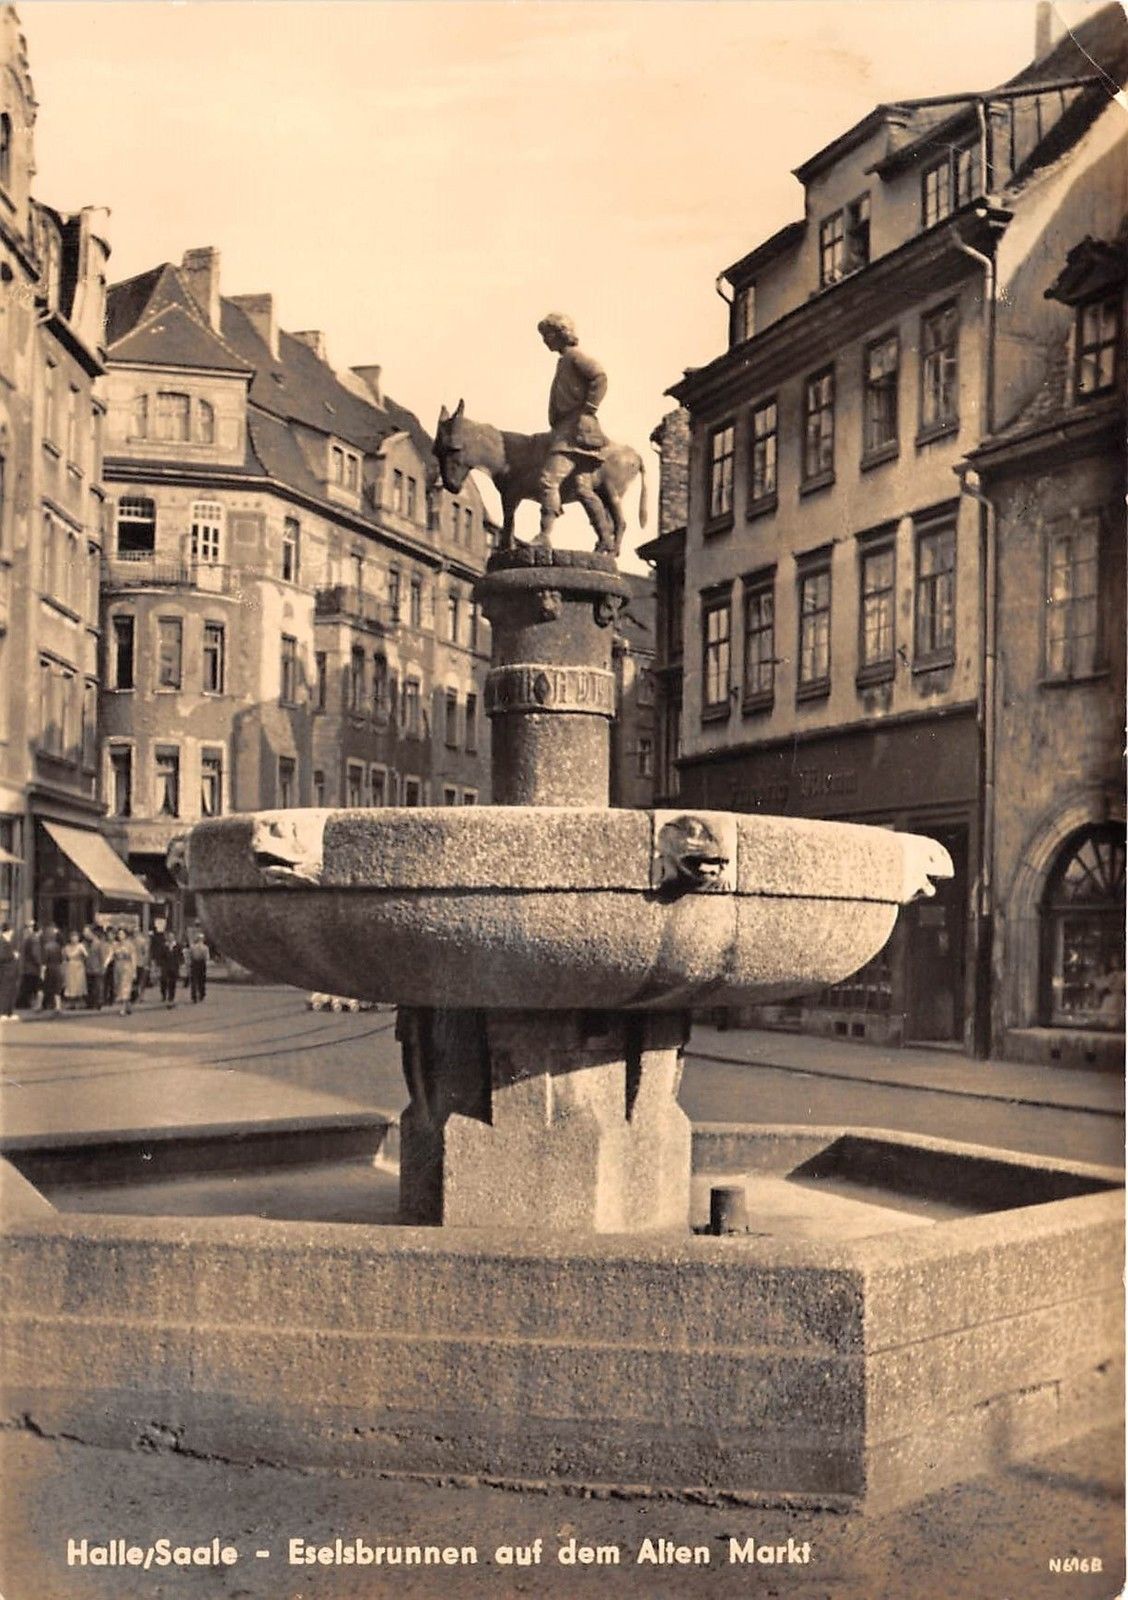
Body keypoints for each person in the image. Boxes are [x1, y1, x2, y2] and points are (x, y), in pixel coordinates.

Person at [535, 311, 608, 544]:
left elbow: (599, 376)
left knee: (548, 480)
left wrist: (589, 408)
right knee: (583, 488)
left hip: (572, 433)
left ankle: (545, 535)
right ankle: (606, 537)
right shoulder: (565, 359)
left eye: (548, 334)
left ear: (560, 334)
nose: (545, 340)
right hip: (575, 431)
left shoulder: (574, 357)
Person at [15, 922, 43, 1011]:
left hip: (26, 967)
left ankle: (22, 1003)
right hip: (32, 968)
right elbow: (36, 954)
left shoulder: (26, 939)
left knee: (26, 986)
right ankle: (27, 1003)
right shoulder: (34, 939)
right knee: (34, 986)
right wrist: (40, 963)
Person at [110, 927, 137, 1016]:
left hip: (127, 966)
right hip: (118, 967)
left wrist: (134, 970)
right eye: (119, 934)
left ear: (125, 935)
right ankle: (128, 1005)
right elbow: (111, 955)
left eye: (122, 934)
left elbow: (133, 957)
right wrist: (105, 964)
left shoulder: (130, 945)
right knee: (118, 986)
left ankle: (123, 1008)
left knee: (125, 986)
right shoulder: (115, 945)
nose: (120, 936)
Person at [40, 924, 64, 1014]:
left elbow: (44, 961)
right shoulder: (58, 946)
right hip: (57, 968)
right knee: (57, 988)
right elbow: (61, 959)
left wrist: (42, 973)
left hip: (49, 968)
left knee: (45, 987)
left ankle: (40, 1005)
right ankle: (58, 1006)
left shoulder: (46, 947)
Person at [62, 930, 87, 1011]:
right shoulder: (67, 947)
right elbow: (64, 957)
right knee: (70, 983)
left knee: (79, 983)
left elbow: (86, 955)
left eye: (75, 937)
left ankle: (79, 1002)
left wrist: (82, 960)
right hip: (70, 966)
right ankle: (71, 1002)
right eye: (72, 937)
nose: (74, 939)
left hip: (79, 966)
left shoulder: (81, 946)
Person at [156, 928, 182, 1008]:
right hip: (165, 967)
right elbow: (160, 956)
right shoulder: (164, 946)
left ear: (174, 937)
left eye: (172, 937)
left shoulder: (177, 946)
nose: (170, 938)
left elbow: (180, 956)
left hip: (174, 967)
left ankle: (171, 998)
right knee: (164, 981)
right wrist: (160, 964)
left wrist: (179, 963)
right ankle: (163, 994)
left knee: (172, 983)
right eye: (169, 937)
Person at [84, 924, 107, 1010]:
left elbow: (102, 956)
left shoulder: (98, 943)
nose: (85, 934)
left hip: (97, 968)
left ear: (91, 933)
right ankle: (90, 1003)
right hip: (88, 968)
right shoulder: (85, 943)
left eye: (86, 932)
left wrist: (103, 967)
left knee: (98, 986)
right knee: (90, 987)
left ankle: (98, 1003)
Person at [0, 922, 19, 1021]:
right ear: (8, 930)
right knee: (4, 991)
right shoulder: (2, 941)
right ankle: (2, 1012)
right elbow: (2, 956)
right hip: (4, 971)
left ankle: (9, 1012)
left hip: (11, 971)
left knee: (11, 991)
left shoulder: (9, 941)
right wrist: (13, 955)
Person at [187, 930, 209, 1004]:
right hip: (199, 963)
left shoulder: (194, 947)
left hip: (197, 963)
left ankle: (196, 995)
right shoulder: (204, 947)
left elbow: (190, 956)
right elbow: (206, 957)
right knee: (199, 980)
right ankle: (199, 995)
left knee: (197, 980)